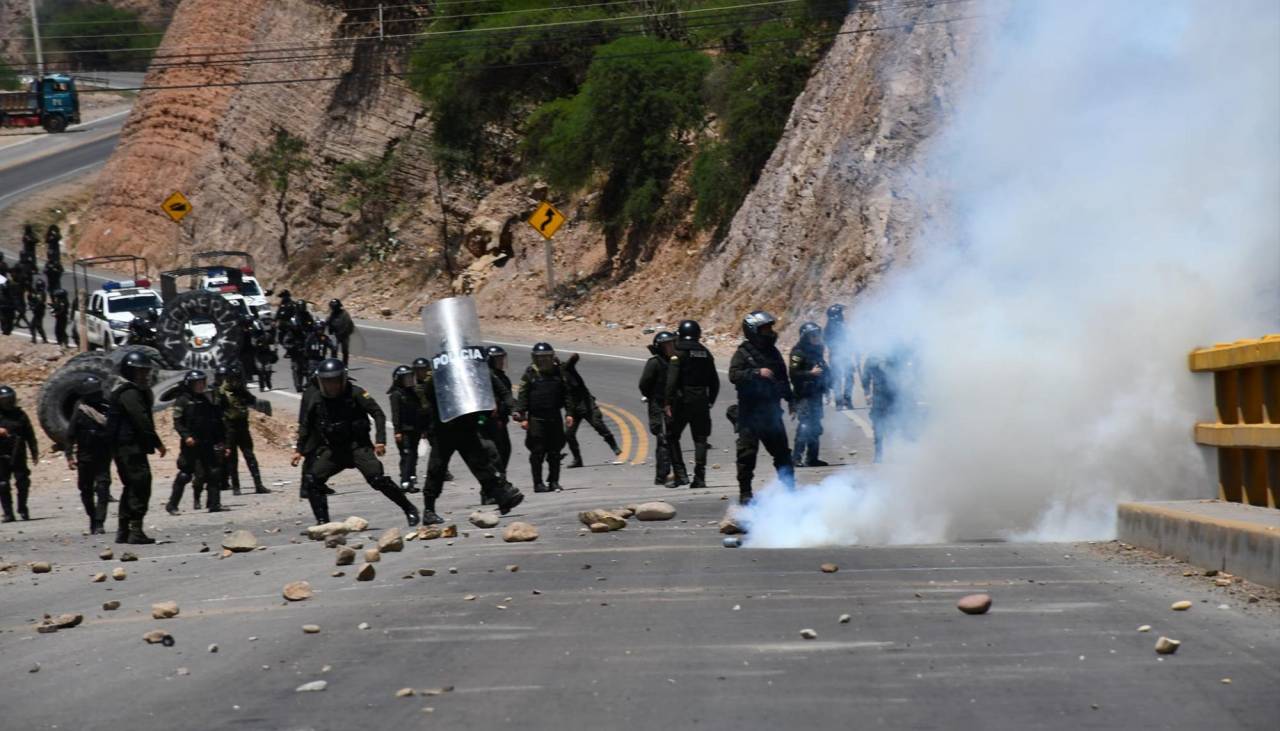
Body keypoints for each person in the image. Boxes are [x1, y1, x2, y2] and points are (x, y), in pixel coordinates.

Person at [291, 358, 420, 527]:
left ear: (343, 380)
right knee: (312, 480)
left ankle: (409, 509)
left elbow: (378, 414)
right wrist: (299, 449)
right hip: (335, 450)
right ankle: (323, 522)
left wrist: (380, 440)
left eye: (335, 382)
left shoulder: (357, 393)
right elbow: (306, 425)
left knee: (377, 479)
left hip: (358, 447)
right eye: (327, 382)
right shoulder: (317, 399)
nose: (332, 386)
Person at [417, 358, 524, 524]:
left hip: (466, 426)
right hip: (443, 428)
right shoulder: (438, 374)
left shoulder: (476, 370)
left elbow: (502, 391)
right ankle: (429, 510)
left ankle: (501, 498)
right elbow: (428, 395)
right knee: (436, 469)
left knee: (482, 463)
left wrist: (514, 409)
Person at [729, 311, 795, 505]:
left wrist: (791, 400)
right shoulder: (743, 353)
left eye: (770, 328)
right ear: (753, 331)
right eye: (764, 329)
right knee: (747, 455)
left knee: (782, 453)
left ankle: (789, 489)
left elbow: (783, 378)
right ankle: (745, 493)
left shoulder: (773, 353)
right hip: (749, 414)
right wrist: (757, 372)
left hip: (772, 413)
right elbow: (734, 375)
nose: (769, 332)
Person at [109, 351, 165, 543]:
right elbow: (141, 419)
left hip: (126, 447)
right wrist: (157, 442)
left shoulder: (127, 391)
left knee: (131, 486)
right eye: (139, 372)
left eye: (145, 372)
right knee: (140, 485)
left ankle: (124, 531)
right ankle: (135, 531)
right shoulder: (130, 393)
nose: (144, 376)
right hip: (130, 448)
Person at [664, 319, 720, 489]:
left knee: (672, 436)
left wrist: (667, 402)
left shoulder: (678, 353)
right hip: (701, 399)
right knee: (701, 439)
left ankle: (681, 476)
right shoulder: (705, 353)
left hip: (682, 399)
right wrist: (709, 401)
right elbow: (715, 382)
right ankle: (700, 477)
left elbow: (671, 381)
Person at [165, 370, 229, 514]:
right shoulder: (182, 400)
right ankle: (172, 505)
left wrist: (221, 441)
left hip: (207, 442)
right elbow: (178, 422)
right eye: (197, 383)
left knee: (214, 472)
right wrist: (186, 436)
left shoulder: (206, 400)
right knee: (185, 475)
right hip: (191, 444)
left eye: (202, 383)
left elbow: (214, 422)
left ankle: (214, 504)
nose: (201, 386)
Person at [514, 342, 575, 493]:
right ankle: (538, 483)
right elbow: (522, 396)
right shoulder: (530, 374)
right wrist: (522, 417)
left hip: (554, 416)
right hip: (536, 419)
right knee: (537, 452)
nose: (543, 361)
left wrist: (569, 413)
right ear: (535, 358)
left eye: (546, 358)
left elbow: (567, 394)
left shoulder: (558, 373)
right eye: (540, 358)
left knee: (555, 451)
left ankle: (554, 481)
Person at [65, 374, 112, 534]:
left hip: (103, 455)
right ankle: (92, 517)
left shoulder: (107, 407)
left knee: (103, 487)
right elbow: (70, 435)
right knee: (85, 489)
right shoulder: (80, 410)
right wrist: (69, 456)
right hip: (85, 456)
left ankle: (99, 522)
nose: (97, 397)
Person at [215, 363, 271, 496]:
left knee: (250, 456)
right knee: (232, 459)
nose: (237, 382)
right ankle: (236, 486)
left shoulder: (241, 389)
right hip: (230, 428)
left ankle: (258, 484)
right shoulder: (222, 392)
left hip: (243, 426)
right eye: (235, 379)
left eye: (238, 379)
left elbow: (251, 400)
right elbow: (217, 411)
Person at [563, 352, 621, 467]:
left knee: (598, 424)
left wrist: (574, 357)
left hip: (586, 404)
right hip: (572, 410)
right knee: (568, 434)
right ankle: (577, 459)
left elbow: (572, 361)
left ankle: (614, 446)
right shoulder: (549, 378)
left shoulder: (565, 368)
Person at [789, 321, 830, 467]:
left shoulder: (818, 350)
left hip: (816, 394)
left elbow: (824, 370)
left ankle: (812, 458)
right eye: (813, 335)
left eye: (817, 335)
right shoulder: (798, 353)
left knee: (816, 426)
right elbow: (793, 374)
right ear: (805, 337)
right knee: (805, 425)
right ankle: (796, 457)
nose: (816, 338)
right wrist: (810, 373)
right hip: (803, 395)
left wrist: (827, 388)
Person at [639, 331, 676, 486]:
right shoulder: (654, 363)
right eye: (666, 345)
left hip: (671, 405)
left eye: (671, 344)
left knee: (671, 437)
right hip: (657, 405)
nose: (670, 347)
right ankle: (661, 475)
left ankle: (671, 471)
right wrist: (654, 398)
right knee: (662, 438)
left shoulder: (675, 362)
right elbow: (644, 384)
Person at [0, 385, 38, 522]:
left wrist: (34, 451)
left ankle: (22, 508)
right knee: (3, 484)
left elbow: (30, 434)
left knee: (23, 482)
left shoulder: (20, 415)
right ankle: (8, 513)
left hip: (18, 453)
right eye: (5, 400)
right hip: (2, 455)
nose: (8, 403)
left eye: (9, 400)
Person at [412, 357, 453, 483]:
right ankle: (410, 475)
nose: (422, 373)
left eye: (424, 370)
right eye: (419, 371)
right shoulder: (413, 388)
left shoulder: (434, 385)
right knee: (411, 450)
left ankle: (443, 470)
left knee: (439, 446)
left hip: (434, 420)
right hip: (420, 422)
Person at [388, 364, 427, 494]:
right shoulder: (396, 394)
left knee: (413, 455)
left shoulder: (413, 392)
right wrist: (397, 431)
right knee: (406, 455)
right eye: (406, 378)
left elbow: (419, 411)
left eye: (411, 377)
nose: (409, 380)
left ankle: (411, 478)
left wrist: (423, 428)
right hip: (404, 431)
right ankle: (404, 481)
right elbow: (396, 414)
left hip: (415, 429)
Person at [483, 345, 515, 490]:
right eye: (497, 359)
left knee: (505, 451)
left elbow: (507, 396)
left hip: (501, 422)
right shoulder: (485, 377)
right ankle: (489, 490)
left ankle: (501, 482)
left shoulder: (503, 378)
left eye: (502, 358)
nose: (501, 362)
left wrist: (516, 411)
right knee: (492, 455)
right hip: (487, 422)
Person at [823, 304, 858, 410]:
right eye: (840, 313)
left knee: (841, 378)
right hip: (838, 355)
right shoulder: (833, 327)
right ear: (836, 315)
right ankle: (844, 399)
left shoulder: (831, 327)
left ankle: (841, 400)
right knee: (845, 378)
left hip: (840, 355)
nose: (842, 315)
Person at [327, 299, 355, 365]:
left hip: (344, 335)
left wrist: (341, 334)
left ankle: (345, 364)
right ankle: (334, 363)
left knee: (345, 350)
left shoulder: (345, 314)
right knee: (333, 349)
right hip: (335, 334)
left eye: (334, 307)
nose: (333, 309)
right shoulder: (332, 314)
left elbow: (347, 325)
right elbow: (328, 322)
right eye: (332, 307)